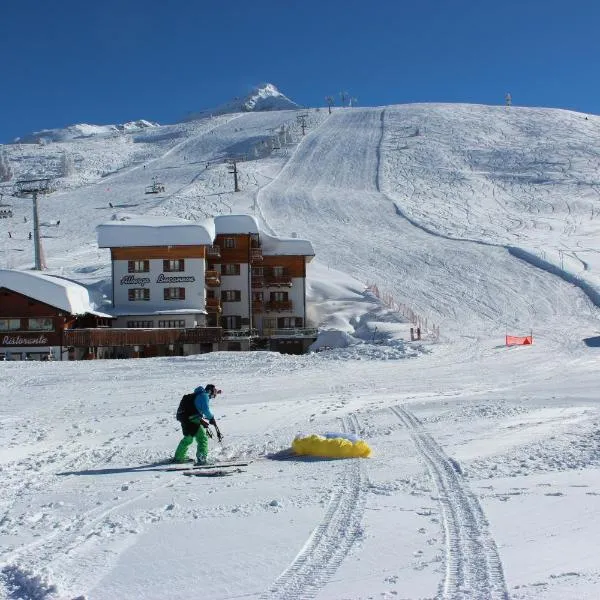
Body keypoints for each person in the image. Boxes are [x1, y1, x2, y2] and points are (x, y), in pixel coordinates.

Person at [173, 384, 223, 464]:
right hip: (193, 419)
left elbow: (195, 409)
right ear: (210, 391)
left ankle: (179, 457)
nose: (213, 397)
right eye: (213, 393)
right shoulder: (204, 396)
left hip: (184, 418)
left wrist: (218, 392)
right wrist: (211, 418)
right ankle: (202, 458)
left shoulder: (197, 395)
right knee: (202, 438)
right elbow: (206, 410)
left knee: (188, 437)